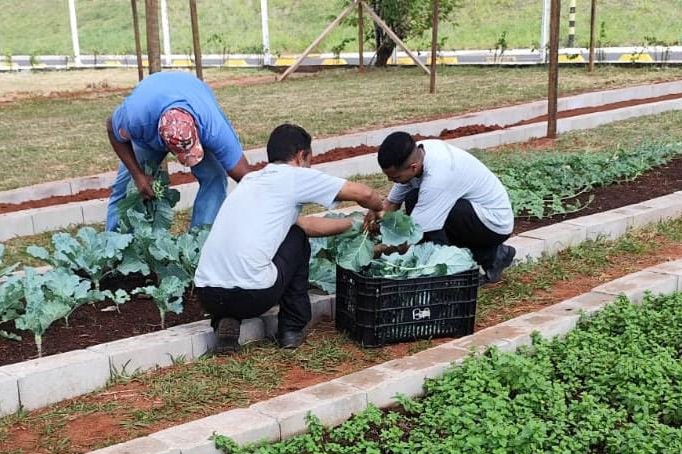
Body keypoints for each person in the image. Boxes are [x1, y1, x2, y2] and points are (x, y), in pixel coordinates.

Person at [195, 123, 386, 353]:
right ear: (301, 155)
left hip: (208, 295)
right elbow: (365, 193)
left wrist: (355, 223)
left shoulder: (251, 180)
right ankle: (292, 327)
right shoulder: (295, 176)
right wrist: (378, 210)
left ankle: (227, 321)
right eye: (309, 160)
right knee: (296, 238)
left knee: (289, 234)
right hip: (253, 295)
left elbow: (308, 225)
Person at [105, 71, 254, 231]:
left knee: (215, 176)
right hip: (149, 123)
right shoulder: (136, 118)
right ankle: (113, 241)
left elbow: (245, 176)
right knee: (125, 188)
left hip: (192, 93)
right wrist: (138, 175)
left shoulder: (213, 128)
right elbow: (111, 128)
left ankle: (200, 238)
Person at [370, 132, 517, 285]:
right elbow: (392, 204)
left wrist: (378, 250)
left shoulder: (437, 177)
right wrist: (375, 219)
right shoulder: (417, 153)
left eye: (395, 177)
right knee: (415, 199)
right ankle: (493, 255)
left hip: (494, 223)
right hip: (472, 213)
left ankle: (446, 276)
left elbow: (414, 235)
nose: (390, 180)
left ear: (413, 167)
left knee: (428, 229)